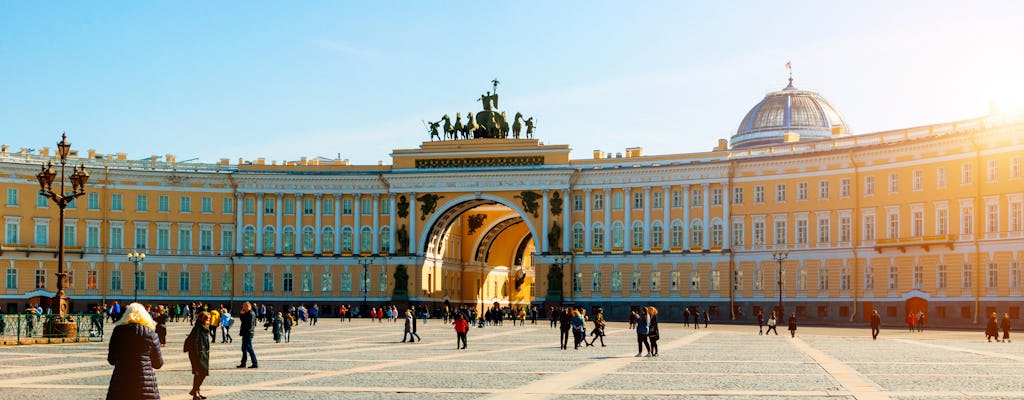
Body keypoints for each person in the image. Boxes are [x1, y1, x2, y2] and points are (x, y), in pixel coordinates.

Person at [106, 303, 163, 400]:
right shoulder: (151, 334)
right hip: (145, 384)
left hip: (121, 384)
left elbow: (111, 359)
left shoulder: (118, 332)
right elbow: (158, 363)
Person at [185, 311, 211, 400]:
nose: (209, 321)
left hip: (203, 353)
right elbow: (194, 342)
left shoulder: (204, 328)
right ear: (203, 319)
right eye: (208, 319)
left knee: (201, 373)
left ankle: (196, 391)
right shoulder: (198, 328)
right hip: (197, 354)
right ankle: (195, 392)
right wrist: (197, 354)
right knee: (200, 373)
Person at [237, 302, 258, 368]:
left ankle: (255, 363)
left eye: (243, 306)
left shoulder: (251, 314)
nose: (242, 307)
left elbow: (249, 324)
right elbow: (243, 321)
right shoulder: (247, 313)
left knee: (249, 348)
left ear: (247, 306)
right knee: (244, 349)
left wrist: (242, 315)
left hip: (248, 333)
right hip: (245, 333)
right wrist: (241, 314)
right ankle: (243, 363)